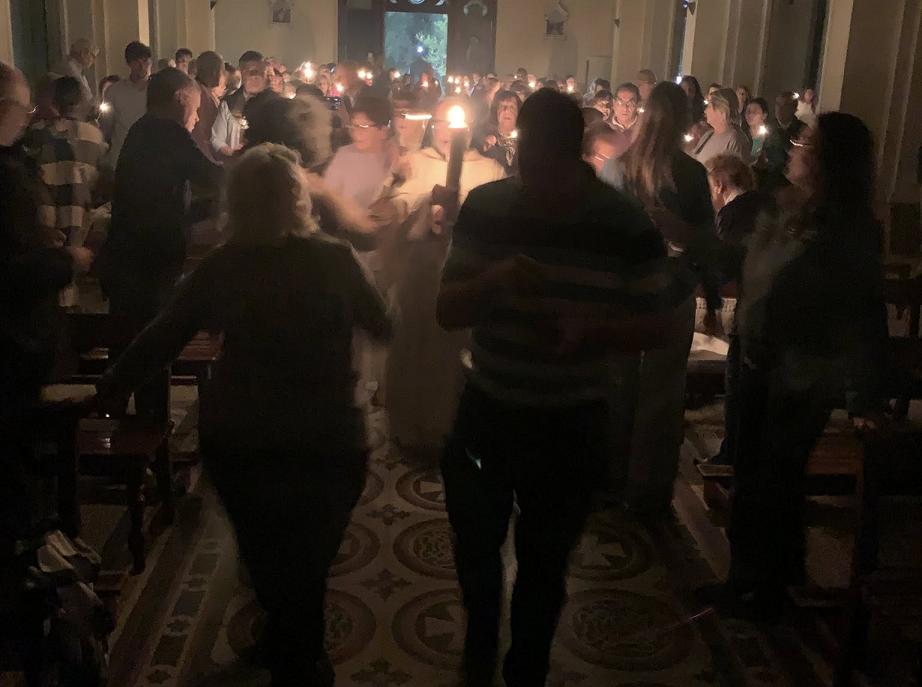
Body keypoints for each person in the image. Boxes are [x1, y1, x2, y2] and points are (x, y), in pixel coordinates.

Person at [96, 143, 390, 687]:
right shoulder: (334, 259)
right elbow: (383, 325)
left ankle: (291, 647)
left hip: (245, 436)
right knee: (308, 559)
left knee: (269, 554)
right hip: (327, 435)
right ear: (299, 198)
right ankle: (299, 657)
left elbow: (164, 334)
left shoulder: (224, 267)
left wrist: (113, 386)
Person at [438, 89, 679, 687]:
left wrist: (592, 331)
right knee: (475, 547)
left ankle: (527, 668)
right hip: (489, 409)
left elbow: (660, 325)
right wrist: (495, 279)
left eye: (545, 169)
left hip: (571, 421)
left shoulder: (624, 224)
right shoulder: (489, 207)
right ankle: (478, 648)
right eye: (528, 166)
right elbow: (447, 310)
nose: (535, 183)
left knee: (545, 565)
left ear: (572, 155)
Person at [712, 113, 888, 618]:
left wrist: (865, 397)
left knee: (777, 479)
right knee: (749, 471)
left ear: (828, 160)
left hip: (803, 371)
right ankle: (747, 578)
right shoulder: (783, 206)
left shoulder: (850, 228)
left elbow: (863, 310)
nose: (793, 149)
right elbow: (753, 270)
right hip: (756, 355)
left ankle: (768, 591)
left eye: (805, 143)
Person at [601, 81, 718, 515]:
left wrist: (675, 230)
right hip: (651, 290)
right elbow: (706, 241)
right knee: (649, 390)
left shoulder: (676, 173)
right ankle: (639, 486)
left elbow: (704, 240)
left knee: (633, 387)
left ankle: (624, 482)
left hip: (646, 291)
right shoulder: (622, 170)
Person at [99, 68, 222, 416]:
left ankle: (115, 420)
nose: (196, 120)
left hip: (127, 257)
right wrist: (254, 172)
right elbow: (212, 177)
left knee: (126, 348)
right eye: (195, 110)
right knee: (151, 348)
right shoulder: (167, 131)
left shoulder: (141, 130)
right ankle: (146, 431)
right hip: (149, 262)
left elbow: (162, 196)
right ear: (180, 99)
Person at [384, 98, 505, 450]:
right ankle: (408, 427)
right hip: (419, 275)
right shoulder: (415, 163)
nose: (444, 132)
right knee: (413, 348)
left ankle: (449, 429)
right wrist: (425, 206)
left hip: (463, 276)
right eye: (438, 122)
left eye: (452, 125)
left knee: (453, 357)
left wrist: (460, 210)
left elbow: (495, 225)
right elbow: (393, 212)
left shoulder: (490, 170)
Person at [700, 154, 764, 468]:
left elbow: (723, 266)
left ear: (719, 185)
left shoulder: (731, 213)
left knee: (738, 384)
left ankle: (732, 455)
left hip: (746, 304)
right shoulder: (766, 204)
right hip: (763, 303)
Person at [25, 76, 107, 257]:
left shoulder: (37, 134)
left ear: (54, 101)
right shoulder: (94, 136)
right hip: (81, 223)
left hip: (46, 224)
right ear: (79, 101)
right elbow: (98, 178)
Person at [102, 41, 152, 167]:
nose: (142, 67)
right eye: (137, 62)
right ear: (129, 63)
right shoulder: (115, 91)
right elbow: (107, 125)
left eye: (145, 61)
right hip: (122, 156)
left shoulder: (157, 90)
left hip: (150, 156)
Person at [211, 50, 266, 160]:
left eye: (258, 71)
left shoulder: (274, 104)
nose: (254, 76)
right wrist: (230, 151)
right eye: (249, 72)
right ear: (241, 73)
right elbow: (216, 138)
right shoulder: (229, 104)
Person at [692, 87, 751, 165]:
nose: (705, 111)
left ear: (721, 111)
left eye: (709, 106)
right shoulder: (708, 134)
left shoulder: (735, 140)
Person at [190, 51, 226, 162]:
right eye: (222, 71)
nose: (222, 75)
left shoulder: (202, 90)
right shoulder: (201, 94)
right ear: (215, 72)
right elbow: (205, 134)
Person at [49, 38, 98, 115]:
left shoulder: (77, 68)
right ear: (84, 53)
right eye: (93, 56)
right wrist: (95, 105)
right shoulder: (69, 67)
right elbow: (83, 93)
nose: (94, 61)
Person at [477, 89, 520, 175]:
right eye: (501, 106)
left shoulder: (527, 139)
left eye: (512, 107)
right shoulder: (483, 137)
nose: (506, 110)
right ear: (495, 111)